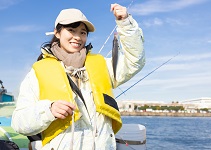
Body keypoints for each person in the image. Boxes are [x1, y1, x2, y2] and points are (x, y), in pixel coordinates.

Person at [11, 3, 145, 150]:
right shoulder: (37, 72)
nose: (77, 37)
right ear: (57, 33)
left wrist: (125, 23)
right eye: (71, 30)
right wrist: (48, 110)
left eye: (83, 32)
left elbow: (135, 61)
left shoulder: (102, 65)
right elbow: (18, 123)